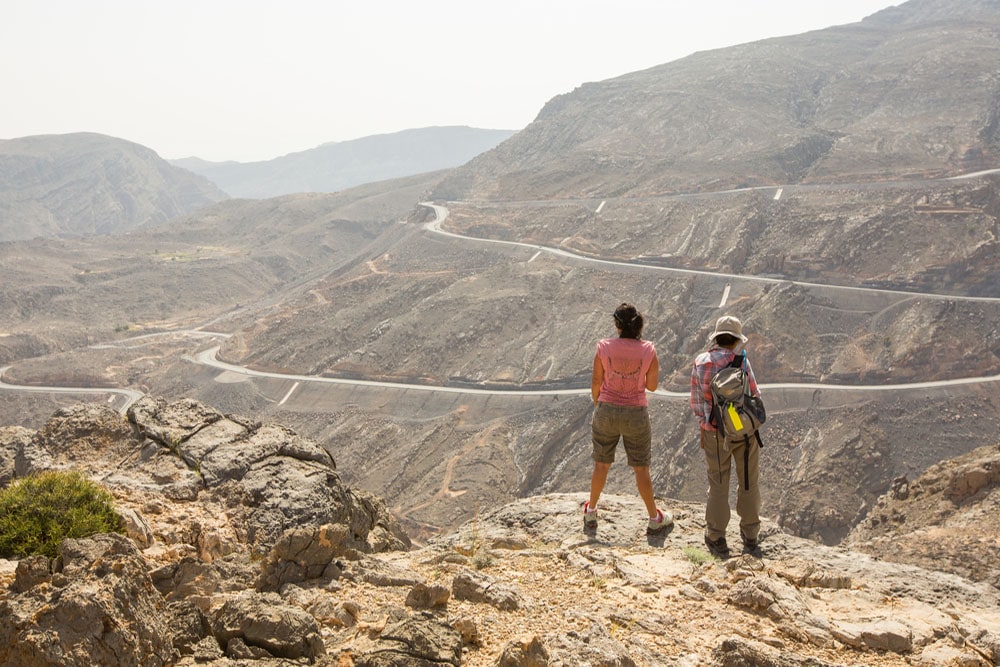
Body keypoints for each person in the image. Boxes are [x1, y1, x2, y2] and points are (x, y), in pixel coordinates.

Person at [585, 303, 671, 535]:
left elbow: (595, 381)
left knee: (601, 464)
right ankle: (654, 517)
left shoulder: (603, 347)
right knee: (641, 469)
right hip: (636, 412)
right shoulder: (649, 350)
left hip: (606, 409)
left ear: (617, 325)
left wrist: (600, 404)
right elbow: (652, 386)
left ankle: (591, 511)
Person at [690, 315, 762, 557]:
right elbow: (754, 394)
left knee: (719, 484)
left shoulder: (701, 363)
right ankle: (750, 536)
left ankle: (717, 536)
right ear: (735, 340)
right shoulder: (741, 361)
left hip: (715, 434)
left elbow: (697, 404)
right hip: (743, 431)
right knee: (748, 482)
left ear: (717, 337)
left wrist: (705, 426)